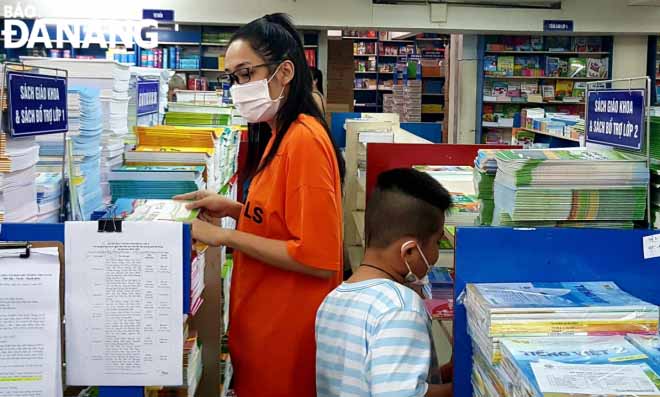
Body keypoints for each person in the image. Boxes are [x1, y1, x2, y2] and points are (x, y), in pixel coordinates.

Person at [174, 13, 345, 397]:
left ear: (285, 72)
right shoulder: (277, 134)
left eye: (246, 74)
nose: (238, 88)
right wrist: (233, 208)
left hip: (287, 340)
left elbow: (316, 258)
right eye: (232, 78)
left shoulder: (303, 141)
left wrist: (224, 238)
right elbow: (280, 220)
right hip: (264, 331)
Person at [316, 168, 454, 397]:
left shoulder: (333, 299)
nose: (436, 254)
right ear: (409, 251)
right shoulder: (400, 308)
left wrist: (442, 375)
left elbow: (370, 380)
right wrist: (460, 388)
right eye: (437, 243)